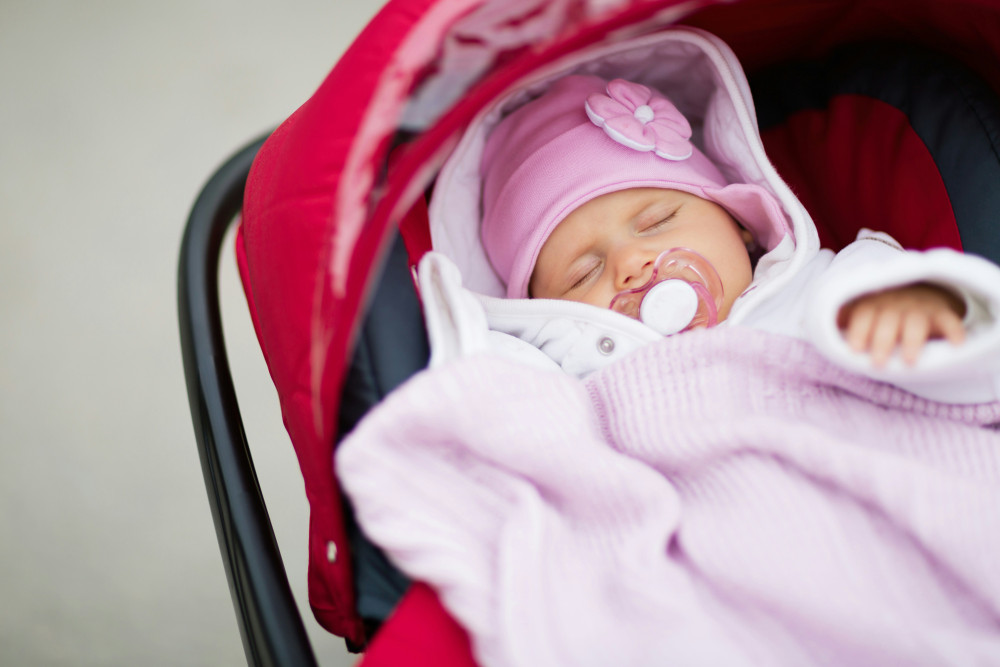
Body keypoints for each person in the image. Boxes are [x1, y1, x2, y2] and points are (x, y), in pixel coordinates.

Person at [478, 74, 970, 372]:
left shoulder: (834, 288)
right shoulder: (565, 383)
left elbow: (973, 338)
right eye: (582, 274)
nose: (631, 263)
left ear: (739, 223)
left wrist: (919, 309)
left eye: (657, 222)